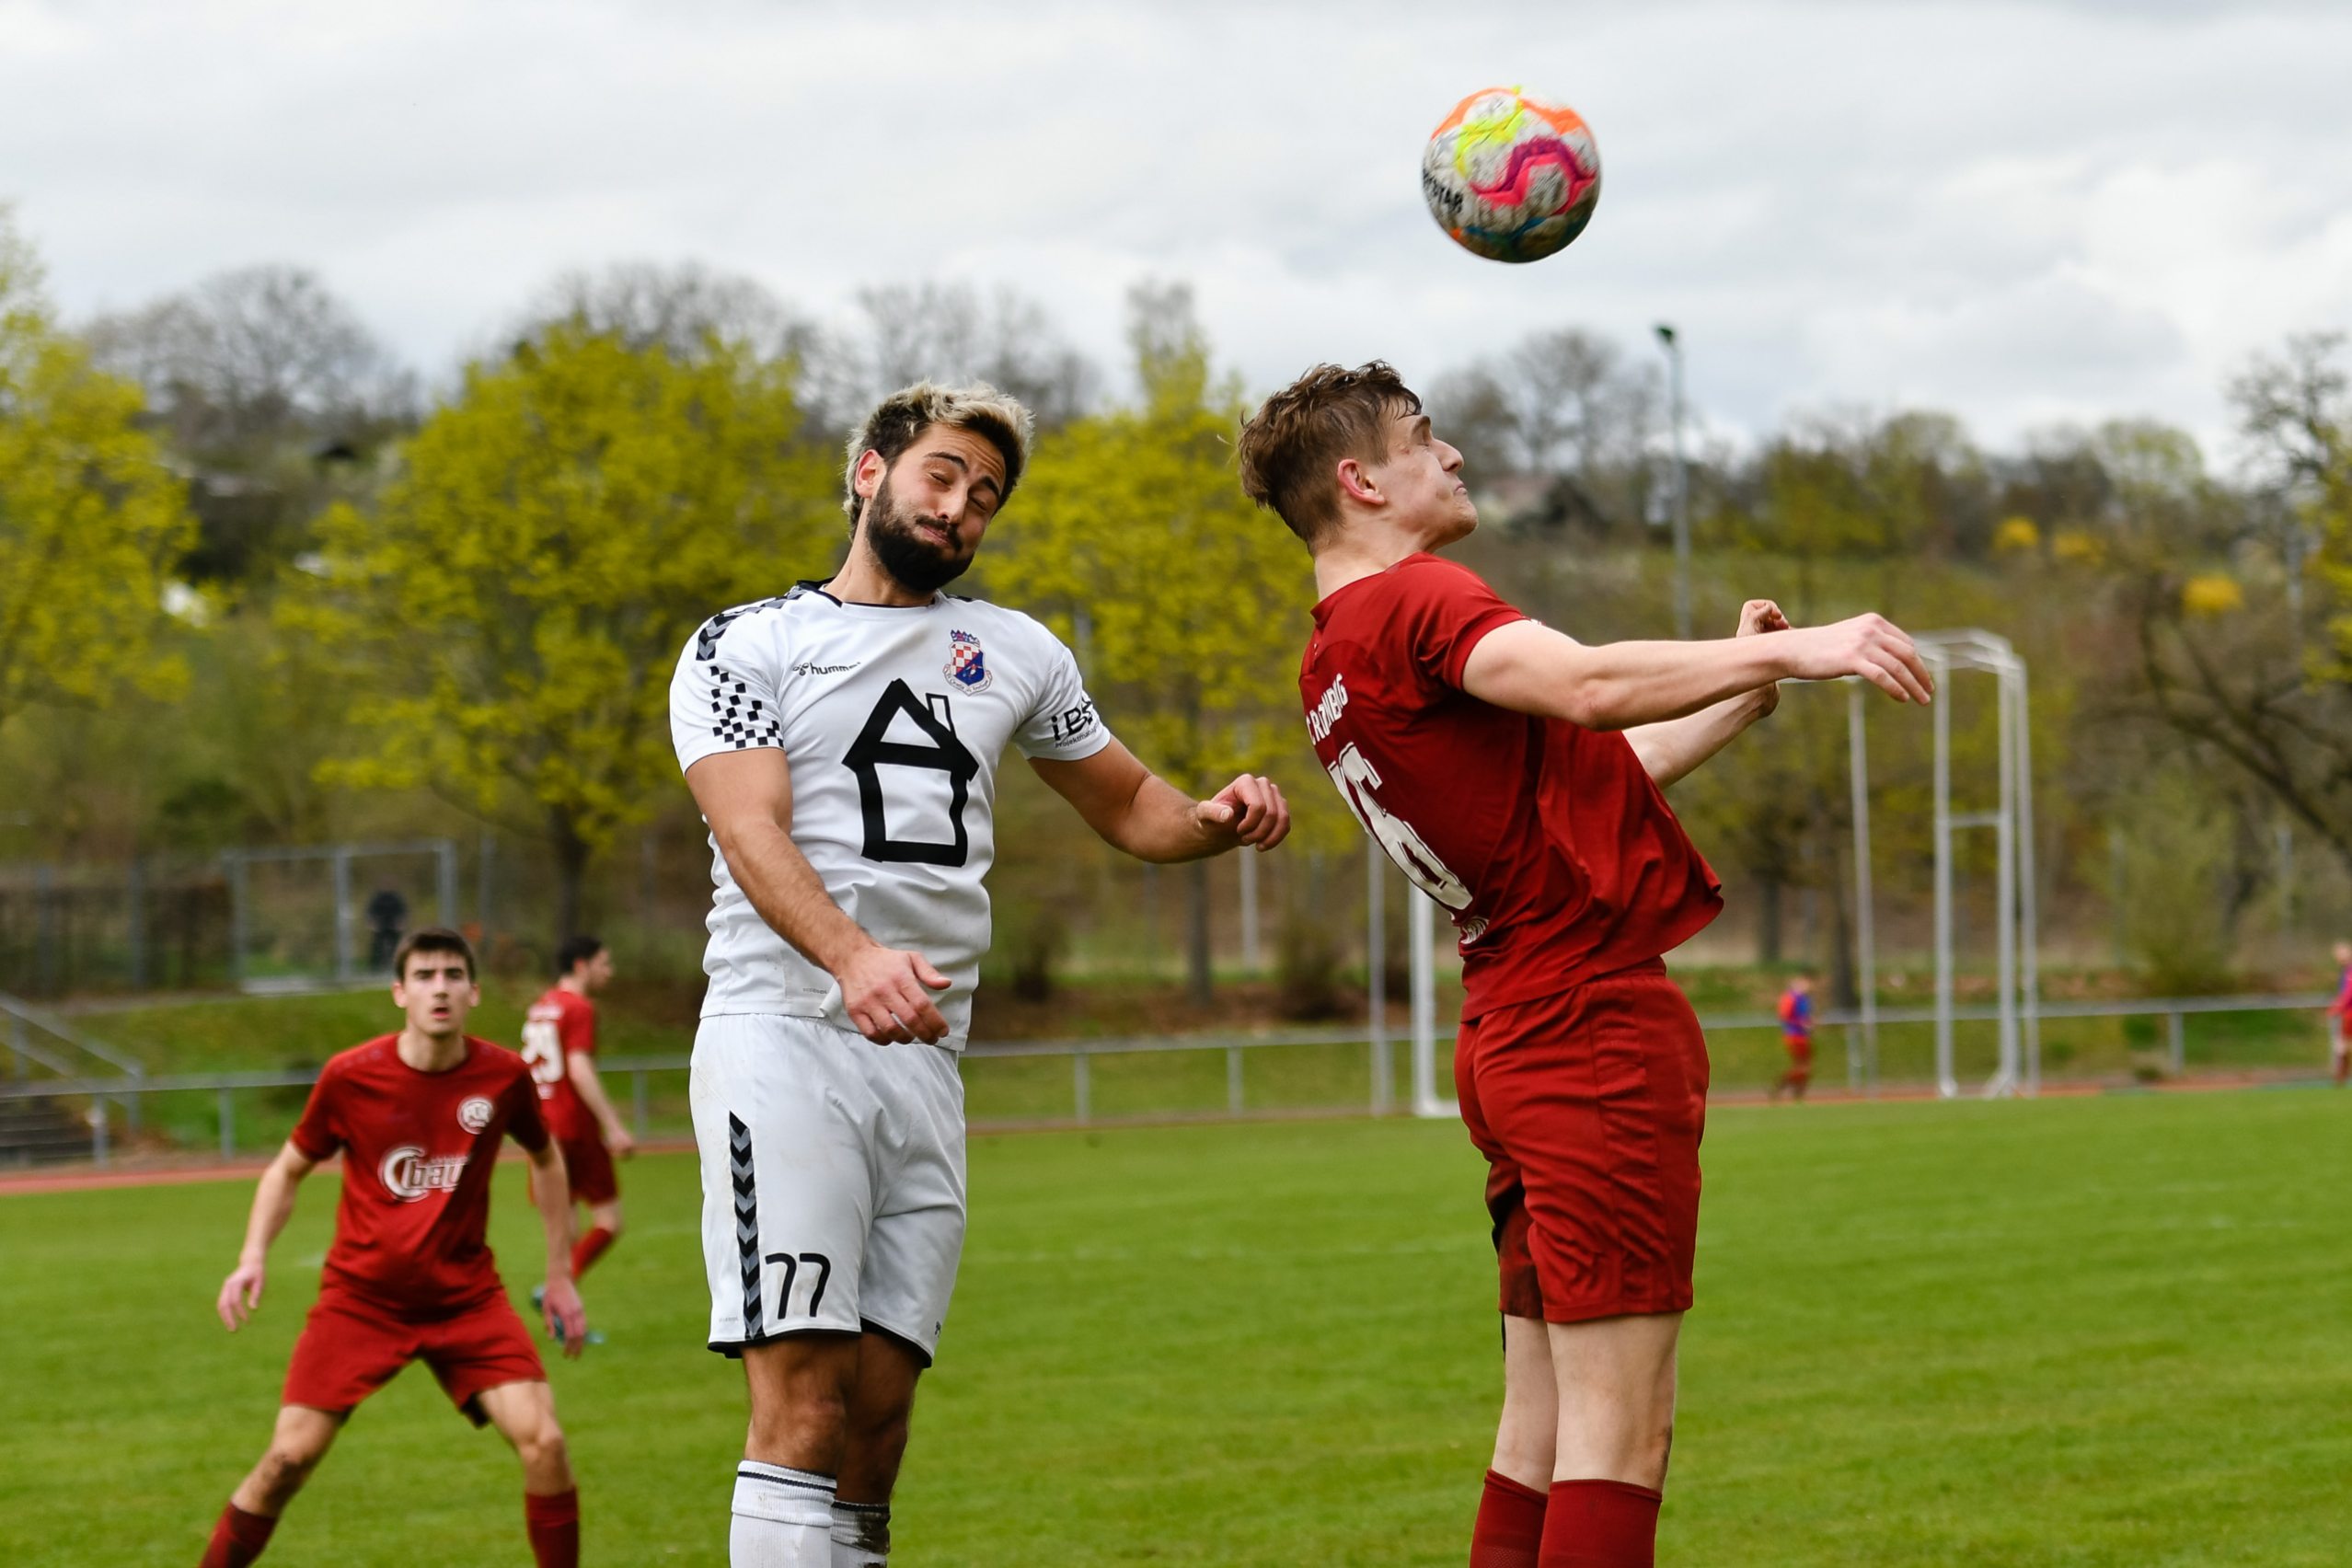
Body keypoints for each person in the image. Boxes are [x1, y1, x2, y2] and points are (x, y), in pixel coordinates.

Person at [1236, 362, 1932, 1568]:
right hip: (1587, 1031)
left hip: (1512, 1030)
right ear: (1361, 481)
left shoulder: (1330, 660)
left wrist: (1748, 684)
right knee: (1620, 1437)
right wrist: (1818, 645)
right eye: (1424, 438)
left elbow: (1587, 781)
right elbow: (1592, 687)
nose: (1452, 456)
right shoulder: (1416, 600)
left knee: (1542, 1432)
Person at [667, 381, 1291, 1567]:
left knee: (877, 1422)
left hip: (927, 1061)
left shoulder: (1018, 652)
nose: (960, 507)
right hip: (786, 1034)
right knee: (802, 1404)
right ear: (870, 471)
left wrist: (1215, 818)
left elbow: (1135, 806)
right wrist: (851, 958)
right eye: (942, 475)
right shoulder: (743, 643)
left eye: (986, 495)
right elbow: (749, 831)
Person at [198, 928, 588, 1568]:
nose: (440, 988)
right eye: (425, 976)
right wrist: (252, 1256)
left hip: (466, 1300)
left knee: (545, 1442)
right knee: (287, 1459)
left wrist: (560, 1274)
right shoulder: (350, 1076)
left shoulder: (503, 1076)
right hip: (362, 1302)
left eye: (453, 975)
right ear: (399, 992)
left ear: (473, 992)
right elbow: (287, 1170)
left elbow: (546, 1160)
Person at [523, 935, 634, 1320]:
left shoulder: (541, 1006)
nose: (609, 971)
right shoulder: (579, 1007)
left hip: (542, 1129)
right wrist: (614, 1126)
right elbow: (579, 1068)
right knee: (610, 1221)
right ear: (581, 965)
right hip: (574, 1126)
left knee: (564, 1233)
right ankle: (555, 1293)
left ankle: (560, 1315)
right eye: (604, 963)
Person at [1772, 973, 1816, 1101]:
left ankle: (1798, 1091)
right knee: (1802, 1066)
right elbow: (1784, 1017)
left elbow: (1806, 1016)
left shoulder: (1805, 999)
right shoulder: (1790, 998)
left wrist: (1810, 1023)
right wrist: (1802, 1023)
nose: (1808, 986)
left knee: (1805, 1066)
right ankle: (1782, 1085)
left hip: (1803, 1036)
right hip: (1793, 1035)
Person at [2328, 940, 2352, 1087]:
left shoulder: (2350, 970)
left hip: (2350, 1013)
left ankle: (2342, 1073)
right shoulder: (2345, 971)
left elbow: (2349, 992)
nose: (2339, 957)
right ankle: (2342, 1073)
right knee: (2342, 1042)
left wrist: (2338, 1007)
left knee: (2341, 1043)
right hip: (2347, 1012)